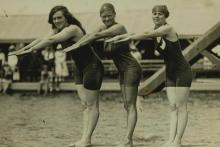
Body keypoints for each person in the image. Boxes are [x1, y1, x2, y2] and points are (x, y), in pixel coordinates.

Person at [9, 5, 104, 147]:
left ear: (67, 17)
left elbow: (51, 41)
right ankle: (85, 139)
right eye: (54, 19)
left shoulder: (73, 29)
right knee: (85, 105)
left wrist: (31, 50)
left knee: (92, 105)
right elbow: (41, 39)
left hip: (92, 67)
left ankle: (86, 139)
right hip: (79, 68)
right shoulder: (57, 30)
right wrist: (24, 49)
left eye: (59, 17)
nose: (57, 20)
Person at [108, 5, 192, 147]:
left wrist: (123, 38)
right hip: (170, 73)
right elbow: (137, 33)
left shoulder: (168, 29)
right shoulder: (155, 31)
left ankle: (177, 141)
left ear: (166, 16)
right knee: (172, 107)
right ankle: (170, 140)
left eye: (160, 14)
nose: (157, 16)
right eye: (154, 14)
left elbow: (145, 34)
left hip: (182, 72)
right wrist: (120, 36)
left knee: (181, 107)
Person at [62, 3, 142, 146]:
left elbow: (97, 35)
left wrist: (76, 45)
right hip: (122, 71)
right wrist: (76, 41)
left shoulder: (119, 27)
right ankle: (126, 138)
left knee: (130, 105)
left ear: (115, 14)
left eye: (109, 16)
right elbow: (91, 35)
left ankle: (128, 140)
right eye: (103, 17)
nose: (106, 19)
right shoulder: (103, 27)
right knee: (126, 105)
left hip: (131, 68)